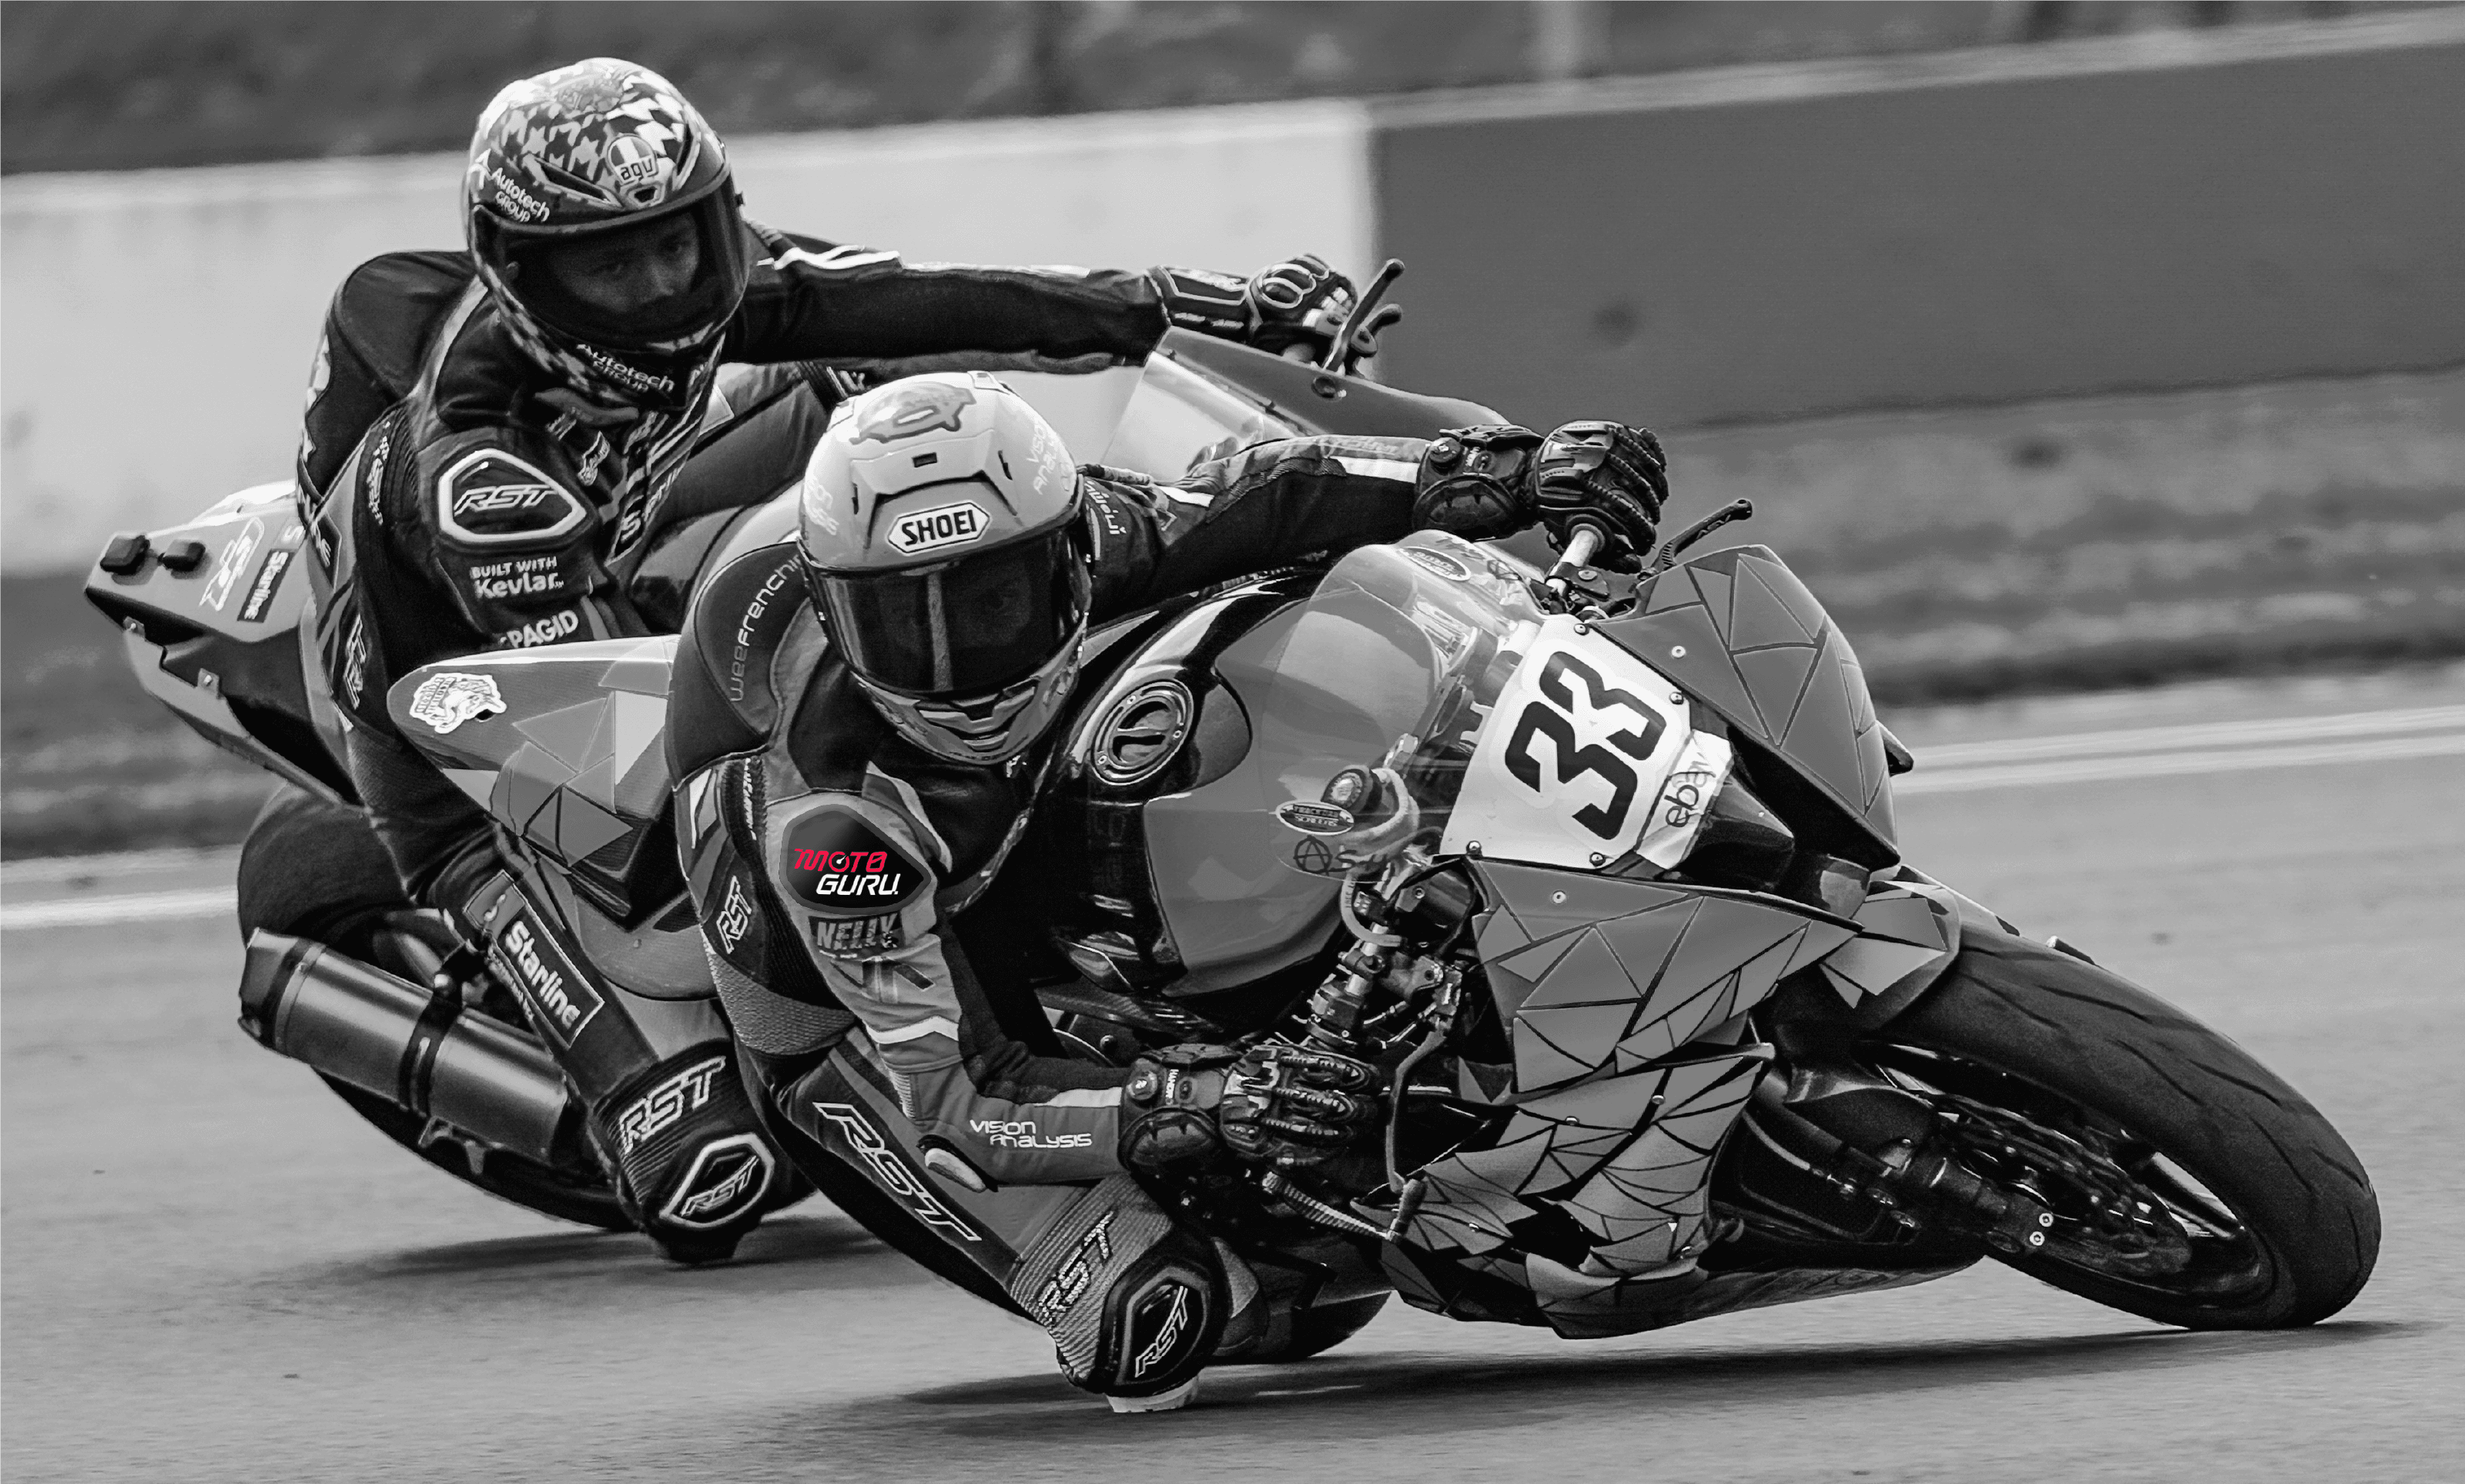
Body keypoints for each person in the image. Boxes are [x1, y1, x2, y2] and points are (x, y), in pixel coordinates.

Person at [241, 55, 1361, 1263]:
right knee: (703, 1165)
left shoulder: (727, 284)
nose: (662, 289)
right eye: (611, 266)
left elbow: (942, 303)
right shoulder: (482, 476)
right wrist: (825, 784)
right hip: (458, 728)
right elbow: (592, 740)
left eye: (679, 245)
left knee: (871, 397)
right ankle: (628, 1090)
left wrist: (1195, 307)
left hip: (618, 551)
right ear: (520, 276)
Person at [666, 370, 1669, 1404]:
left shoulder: (1089, 530)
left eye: (994, 603)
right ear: (839, 618)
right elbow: (960, 1102)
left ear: (1064, 557)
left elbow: (1268, 493)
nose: (957, 663)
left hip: (995, 809)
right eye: (903, 629)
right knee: (1176, 1310)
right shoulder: (832, 826)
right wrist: (1199, 1098)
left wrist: (1509, 470)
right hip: (851, 1025)